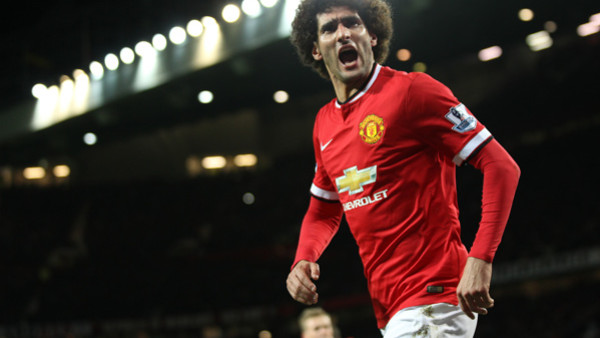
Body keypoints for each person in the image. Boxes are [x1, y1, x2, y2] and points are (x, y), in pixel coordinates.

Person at [285, 0, 521, 337]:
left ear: (373, 36)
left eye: (352, 23)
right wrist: (303, 257)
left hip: (433, 297)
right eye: (329, 28)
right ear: (316, 50)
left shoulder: (413, 91)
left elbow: (502, 166)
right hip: (391, 306)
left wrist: (481, 258)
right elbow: (324, 209)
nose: (342, 34)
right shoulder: (324, 123)